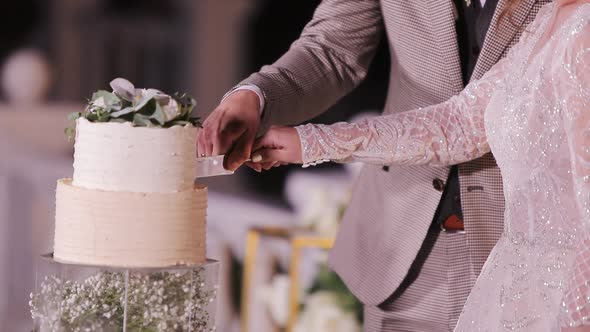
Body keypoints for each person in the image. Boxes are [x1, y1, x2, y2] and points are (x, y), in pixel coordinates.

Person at [199, 0, 550, 330]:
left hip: (531, 248)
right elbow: (331, 49)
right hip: (406, 248)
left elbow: (465, 123)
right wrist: (255, 96)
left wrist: (315, 143)